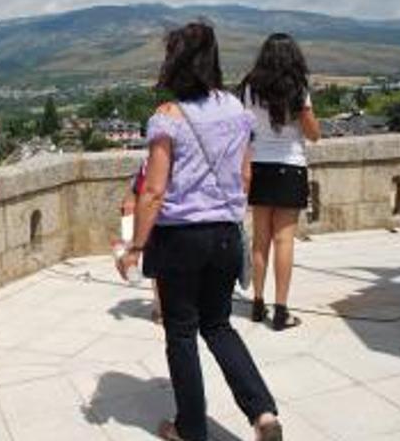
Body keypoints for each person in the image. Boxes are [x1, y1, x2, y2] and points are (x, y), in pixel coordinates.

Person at [117, 22, 282, 441]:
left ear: (175, 64)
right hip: (225, 234)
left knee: (182, 333)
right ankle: (263, 413)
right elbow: (245, 177)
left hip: (180, 239)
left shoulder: (168, 117)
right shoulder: (236, 111)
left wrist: (135, 246)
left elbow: (153, 190)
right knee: (219, 325)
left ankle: (190, 428)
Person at [240, 33, 320, 331]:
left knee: (261, 240)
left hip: (259, 166)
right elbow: (313, 134)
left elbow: (245, 130)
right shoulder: (297, 88)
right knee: (284, 240)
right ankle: (281, 310)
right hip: (290, 166)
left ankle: (258, 304)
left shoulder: (248, 87)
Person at [119, 158, 162, 321]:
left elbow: (142, 192)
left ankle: (161, 311)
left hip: (156, 222)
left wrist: (133, 247)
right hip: (189, 223)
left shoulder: (153, 160)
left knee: (158, 270)